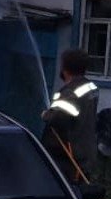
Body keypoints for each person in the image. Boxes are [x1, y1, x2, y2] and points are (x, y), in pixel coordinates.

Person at [40, 48, 99, 181]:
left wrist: (46, 115)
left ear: (65, 69)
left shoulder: (70, 93)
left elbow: (58, 118)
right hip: (85, 154)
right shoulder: (90, 87)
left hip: (70, 159)